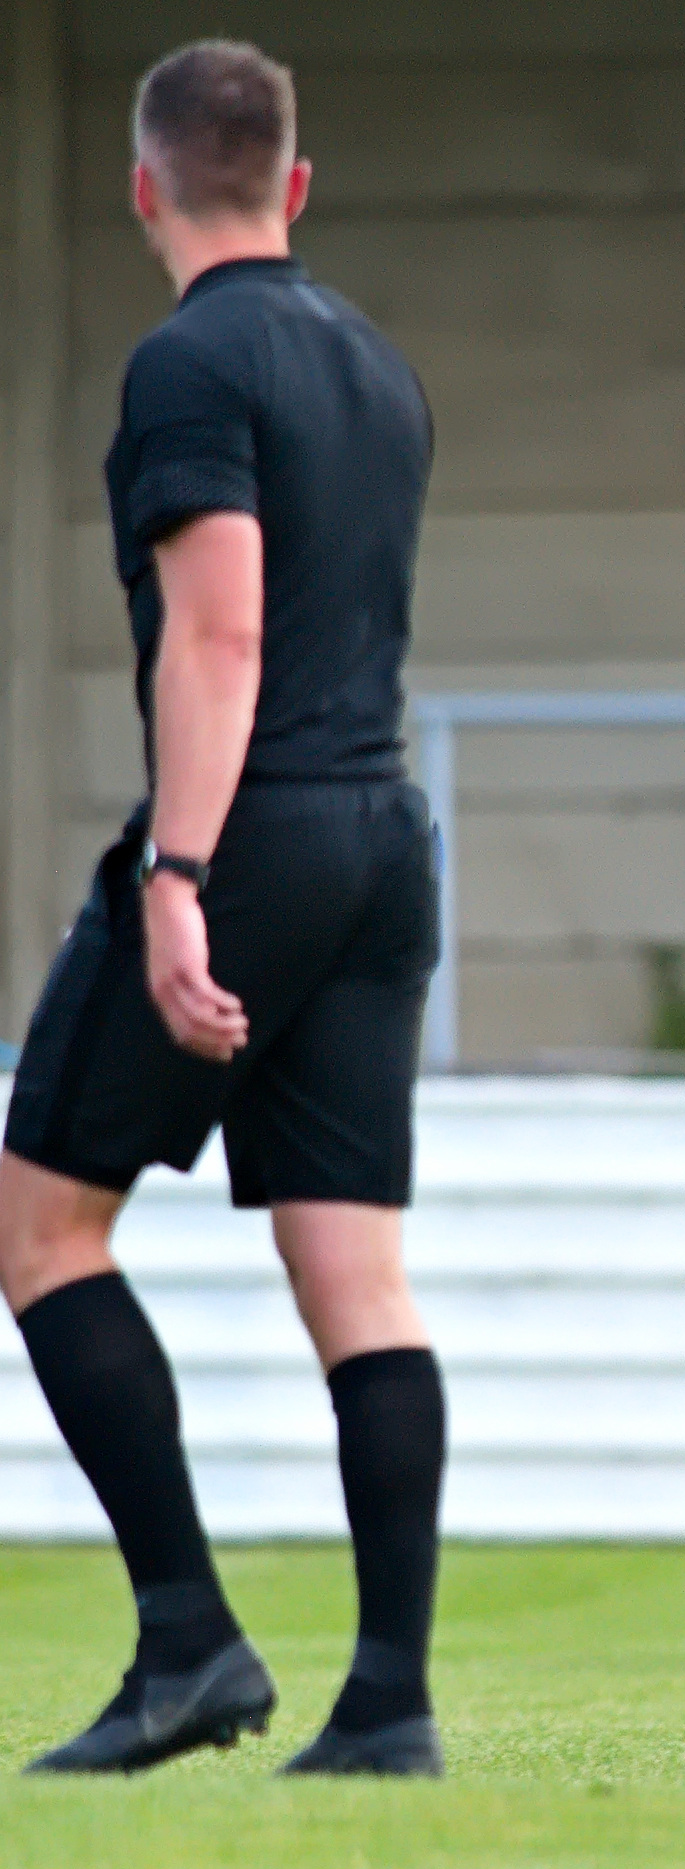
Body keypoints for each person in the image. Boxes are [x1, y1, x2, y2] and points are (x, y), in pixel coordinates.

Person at [0, 41, 445, 1777]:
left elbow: (224, 631)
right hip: (382, 834)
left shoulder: (189, 361)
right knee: (359, 1279)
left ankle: (190, 1642)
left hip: (246, 835)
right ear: (297, 185)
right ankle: (390, 1703)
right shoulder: (375, 362)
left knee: (41, 1228)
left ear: (144, 188)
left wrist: (177, 876)